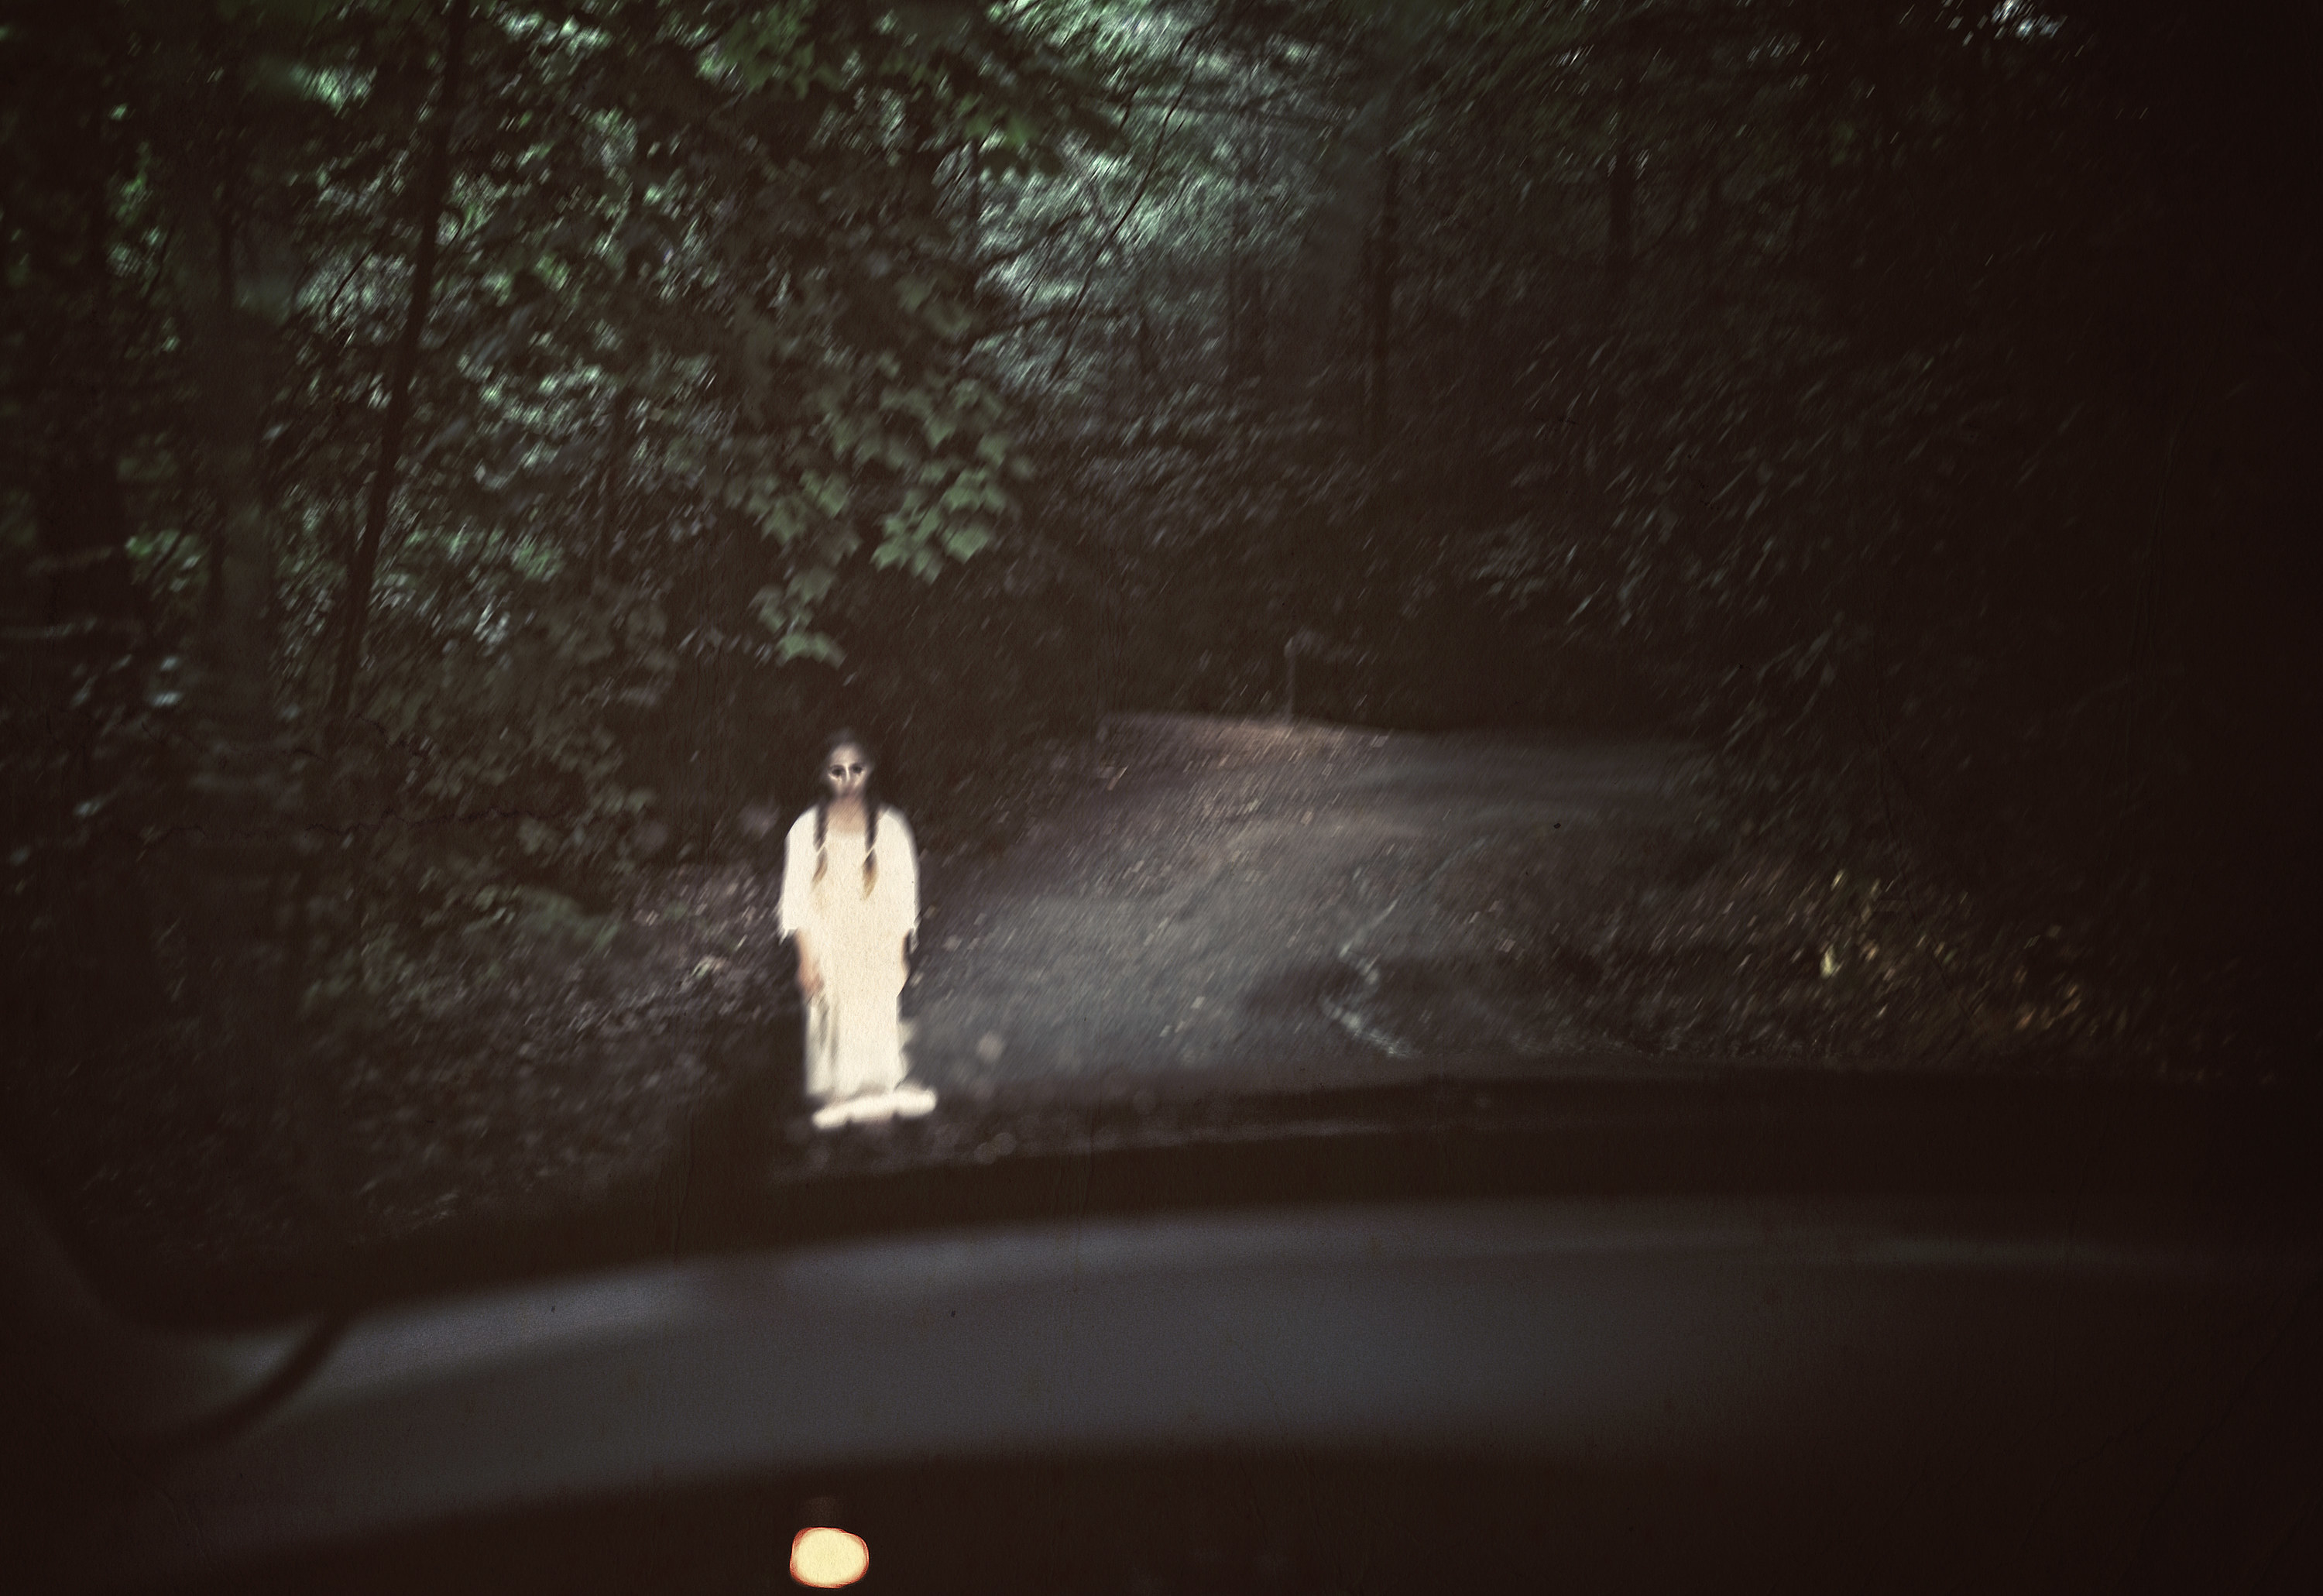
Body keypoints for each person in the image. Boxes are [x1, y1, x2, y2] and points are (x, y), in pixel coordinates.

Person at [777, 730, 935, 1128]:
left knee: (876, 1040)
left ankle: (877, 1122)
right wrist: (806, 960)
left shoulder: (891, 826)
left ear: (870, 771)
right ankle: (839, 1119)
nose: (847, 780)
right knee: (834, 1044)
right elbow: (795, 899)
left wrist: (899, 954)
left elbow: (904, 896)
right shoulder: (804, 829)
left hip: (874, 948)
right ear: (824, 775)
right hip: (829, 948)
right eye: (837, 771)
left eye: (856, 769)